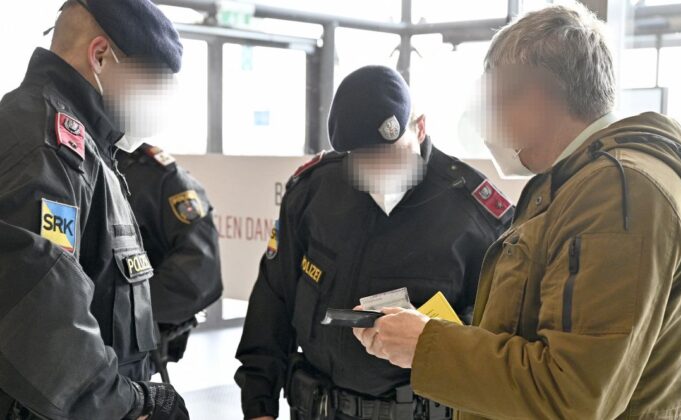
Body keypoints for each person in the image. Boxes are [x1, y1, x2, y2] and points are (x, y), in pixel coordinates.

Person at [353, 4, 681, 419]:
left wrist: (426, 344)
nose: (487, 126)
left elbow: (570, 394)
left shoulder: (617, 192)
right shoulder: (586, 183)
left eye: (494, 102)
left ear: (535, 97)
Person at [235, 65, 513, 420]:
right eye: (364, 160)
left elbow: (498, 341)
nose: (378, 169)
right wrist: (259, 405)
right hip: (314, 407)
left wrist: (430, 338)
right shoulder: (315, 191)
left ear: (421, 127)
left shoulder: (477, 216)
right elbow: (272, 302)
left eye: (391, 155)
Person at [0, 0, 189, 418]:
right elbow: (44, 321)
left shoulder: (89, 150)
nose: (157, 99)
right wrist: (133, 405)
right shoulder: (44, 145)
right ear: (101, 55)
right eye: (152, 80)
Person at [117, 143, 223, 378]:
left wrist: (125, 309)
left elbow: (199, 271)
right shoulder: (65, 160)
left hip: (127, 353)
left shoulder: (159, 177)